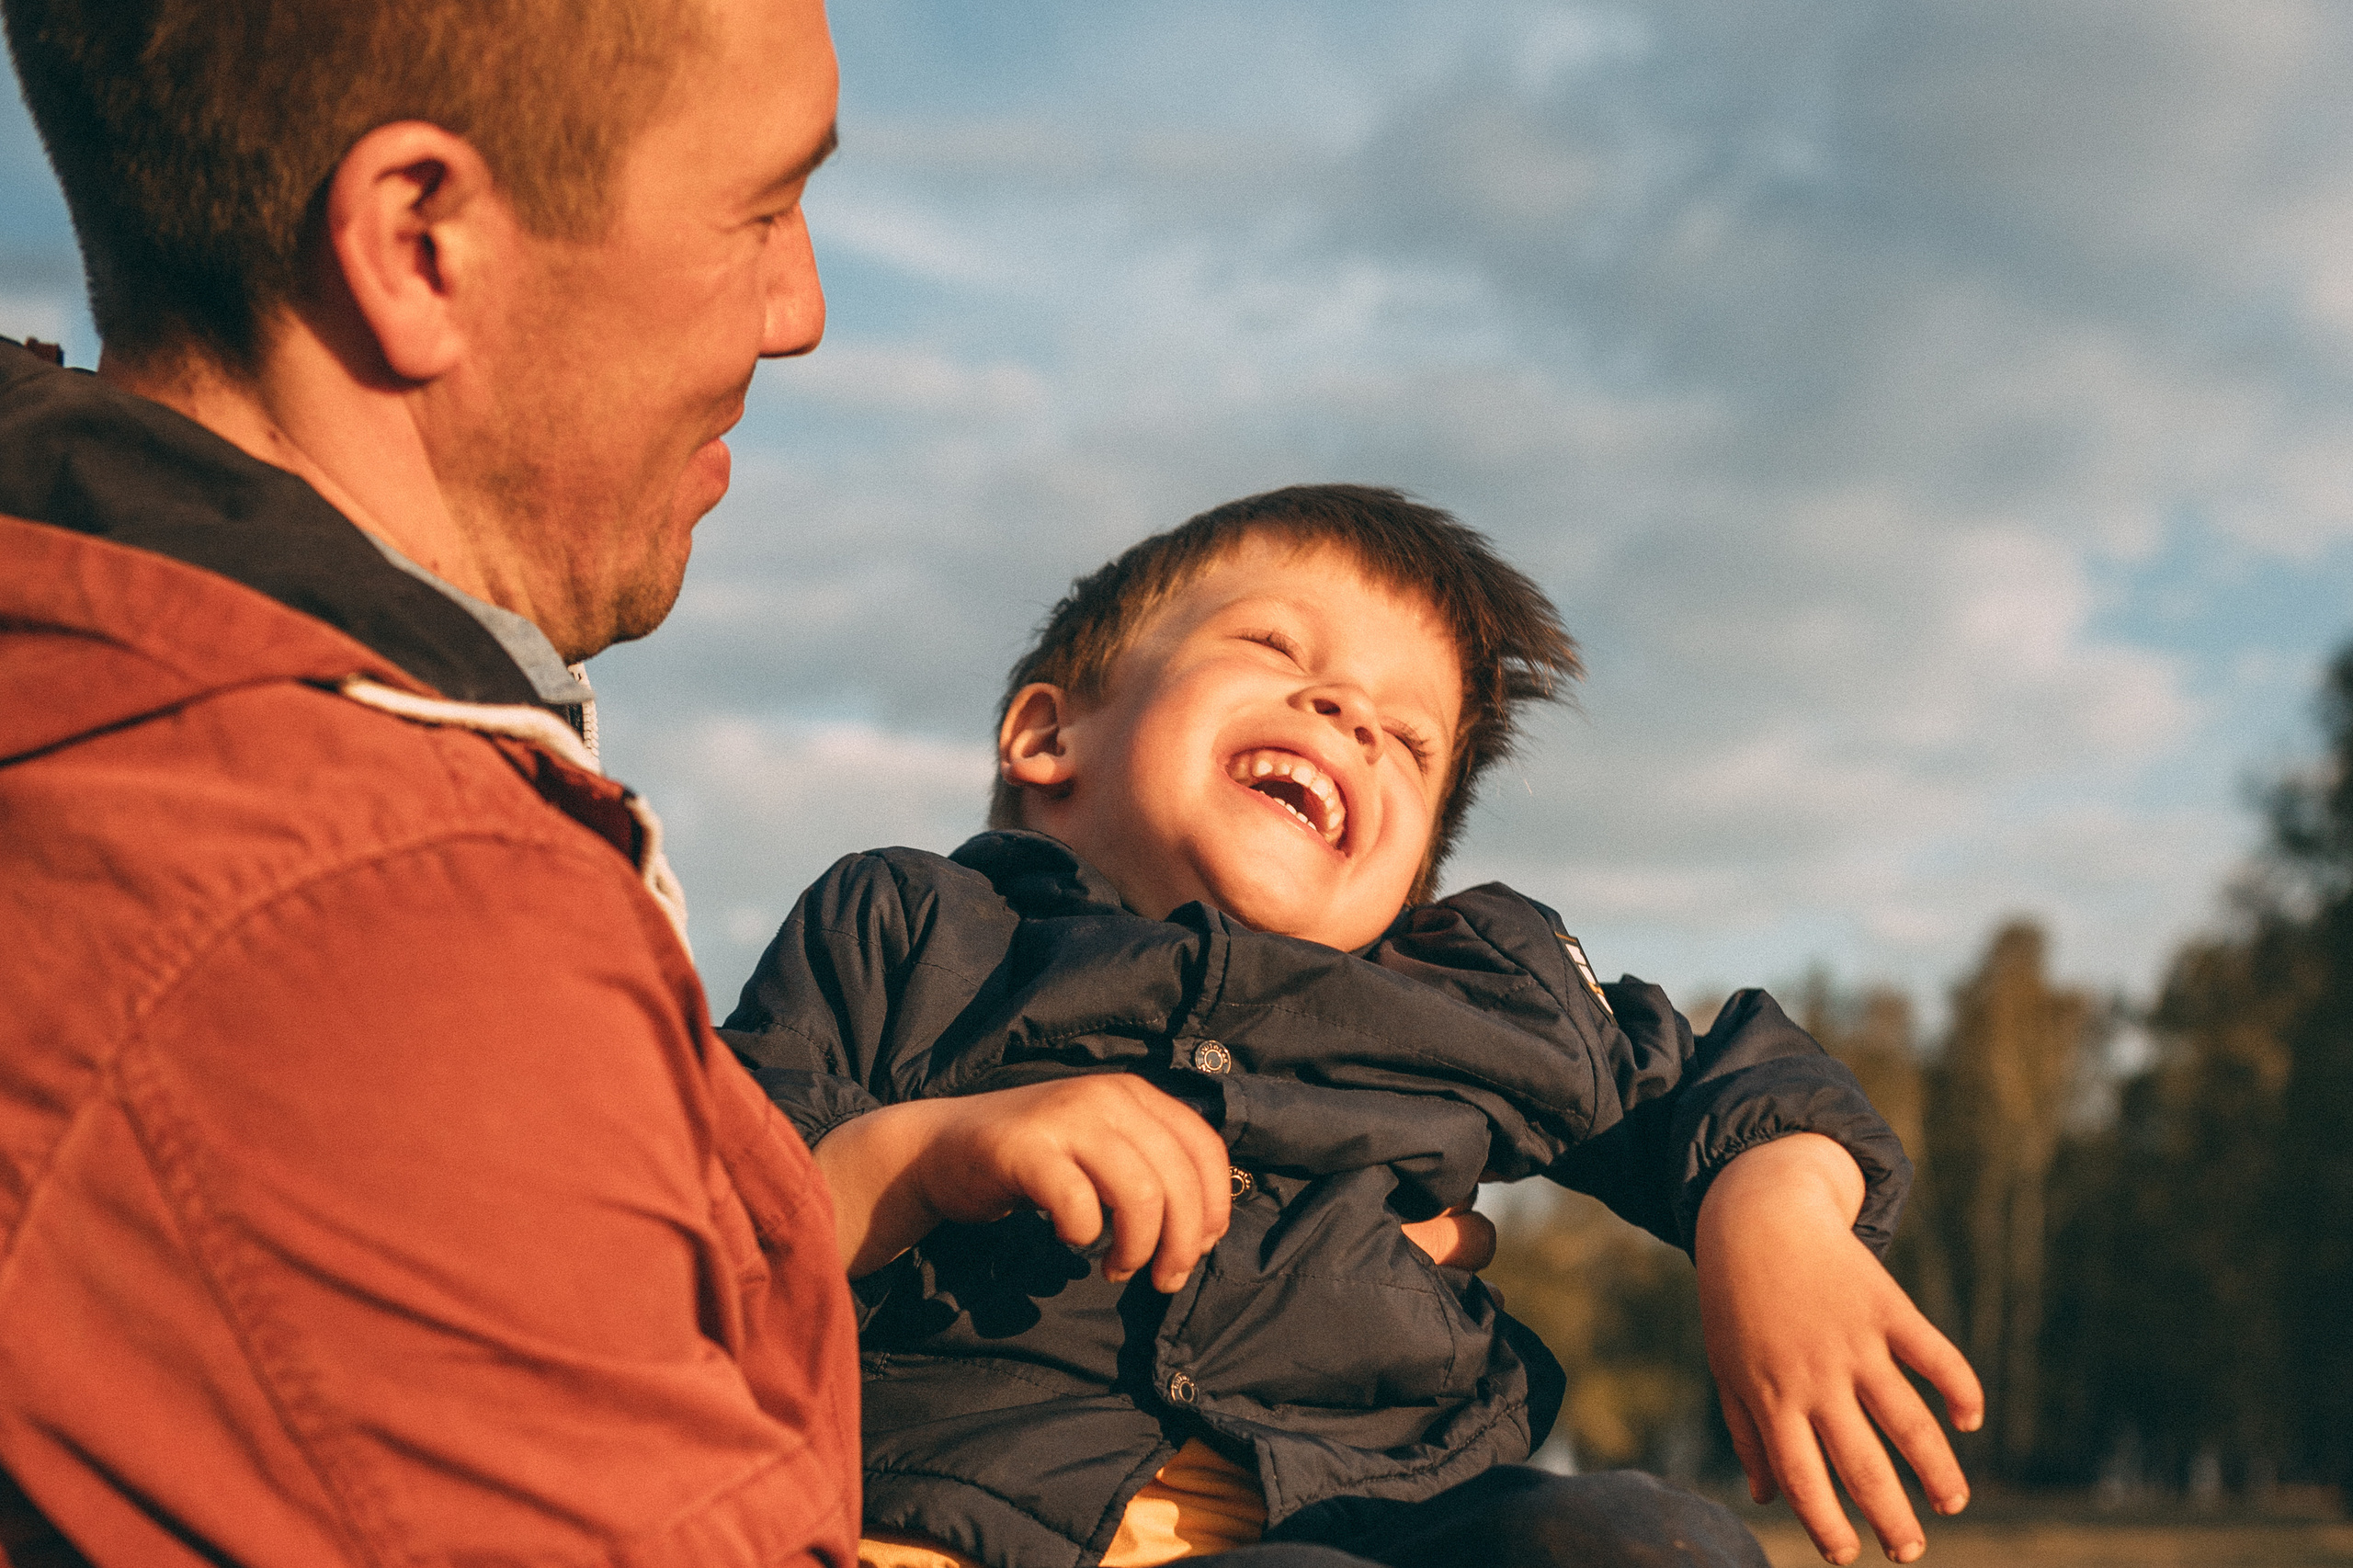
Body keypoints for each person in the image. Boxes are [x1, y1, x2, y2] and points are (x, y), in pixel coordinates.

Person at [0, 3, 1261, 1564]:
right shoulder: (356, 931)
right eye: (762, 208)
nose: (800, 310)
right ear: (420, 243)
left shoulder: (132, 698)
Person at [723, 486, 1986, 1568]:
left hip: (1394, 1510)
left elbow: (1726, 1083)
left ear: (1408, 888)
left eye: (1410, 739)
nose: (1348, 712)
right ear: (1051, 733)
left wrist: (1772, 1220)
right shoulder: (911, 923)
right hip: (957, 1511)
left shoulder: (1471, 987)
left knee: (1639, 1531)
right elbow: (713, 1222)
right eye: (1275, 644)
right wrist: (940, 1150)